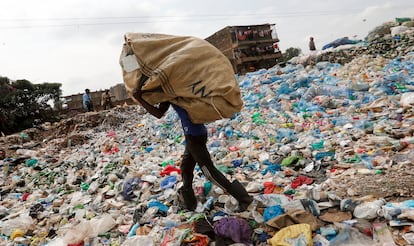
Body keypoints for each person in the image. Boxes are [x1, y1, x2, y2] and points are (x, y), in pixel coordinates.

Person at [133, 86, 253, 212]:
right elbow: (160, 111)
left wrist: (140, 99)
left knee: (209, 172)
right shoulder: (177, 89)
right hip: (194, 134)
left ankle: (244, 199)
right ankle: (190, 204)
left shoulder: (175, 90)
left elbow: (158, 113)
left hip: (194, 135)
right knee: (186, 167)